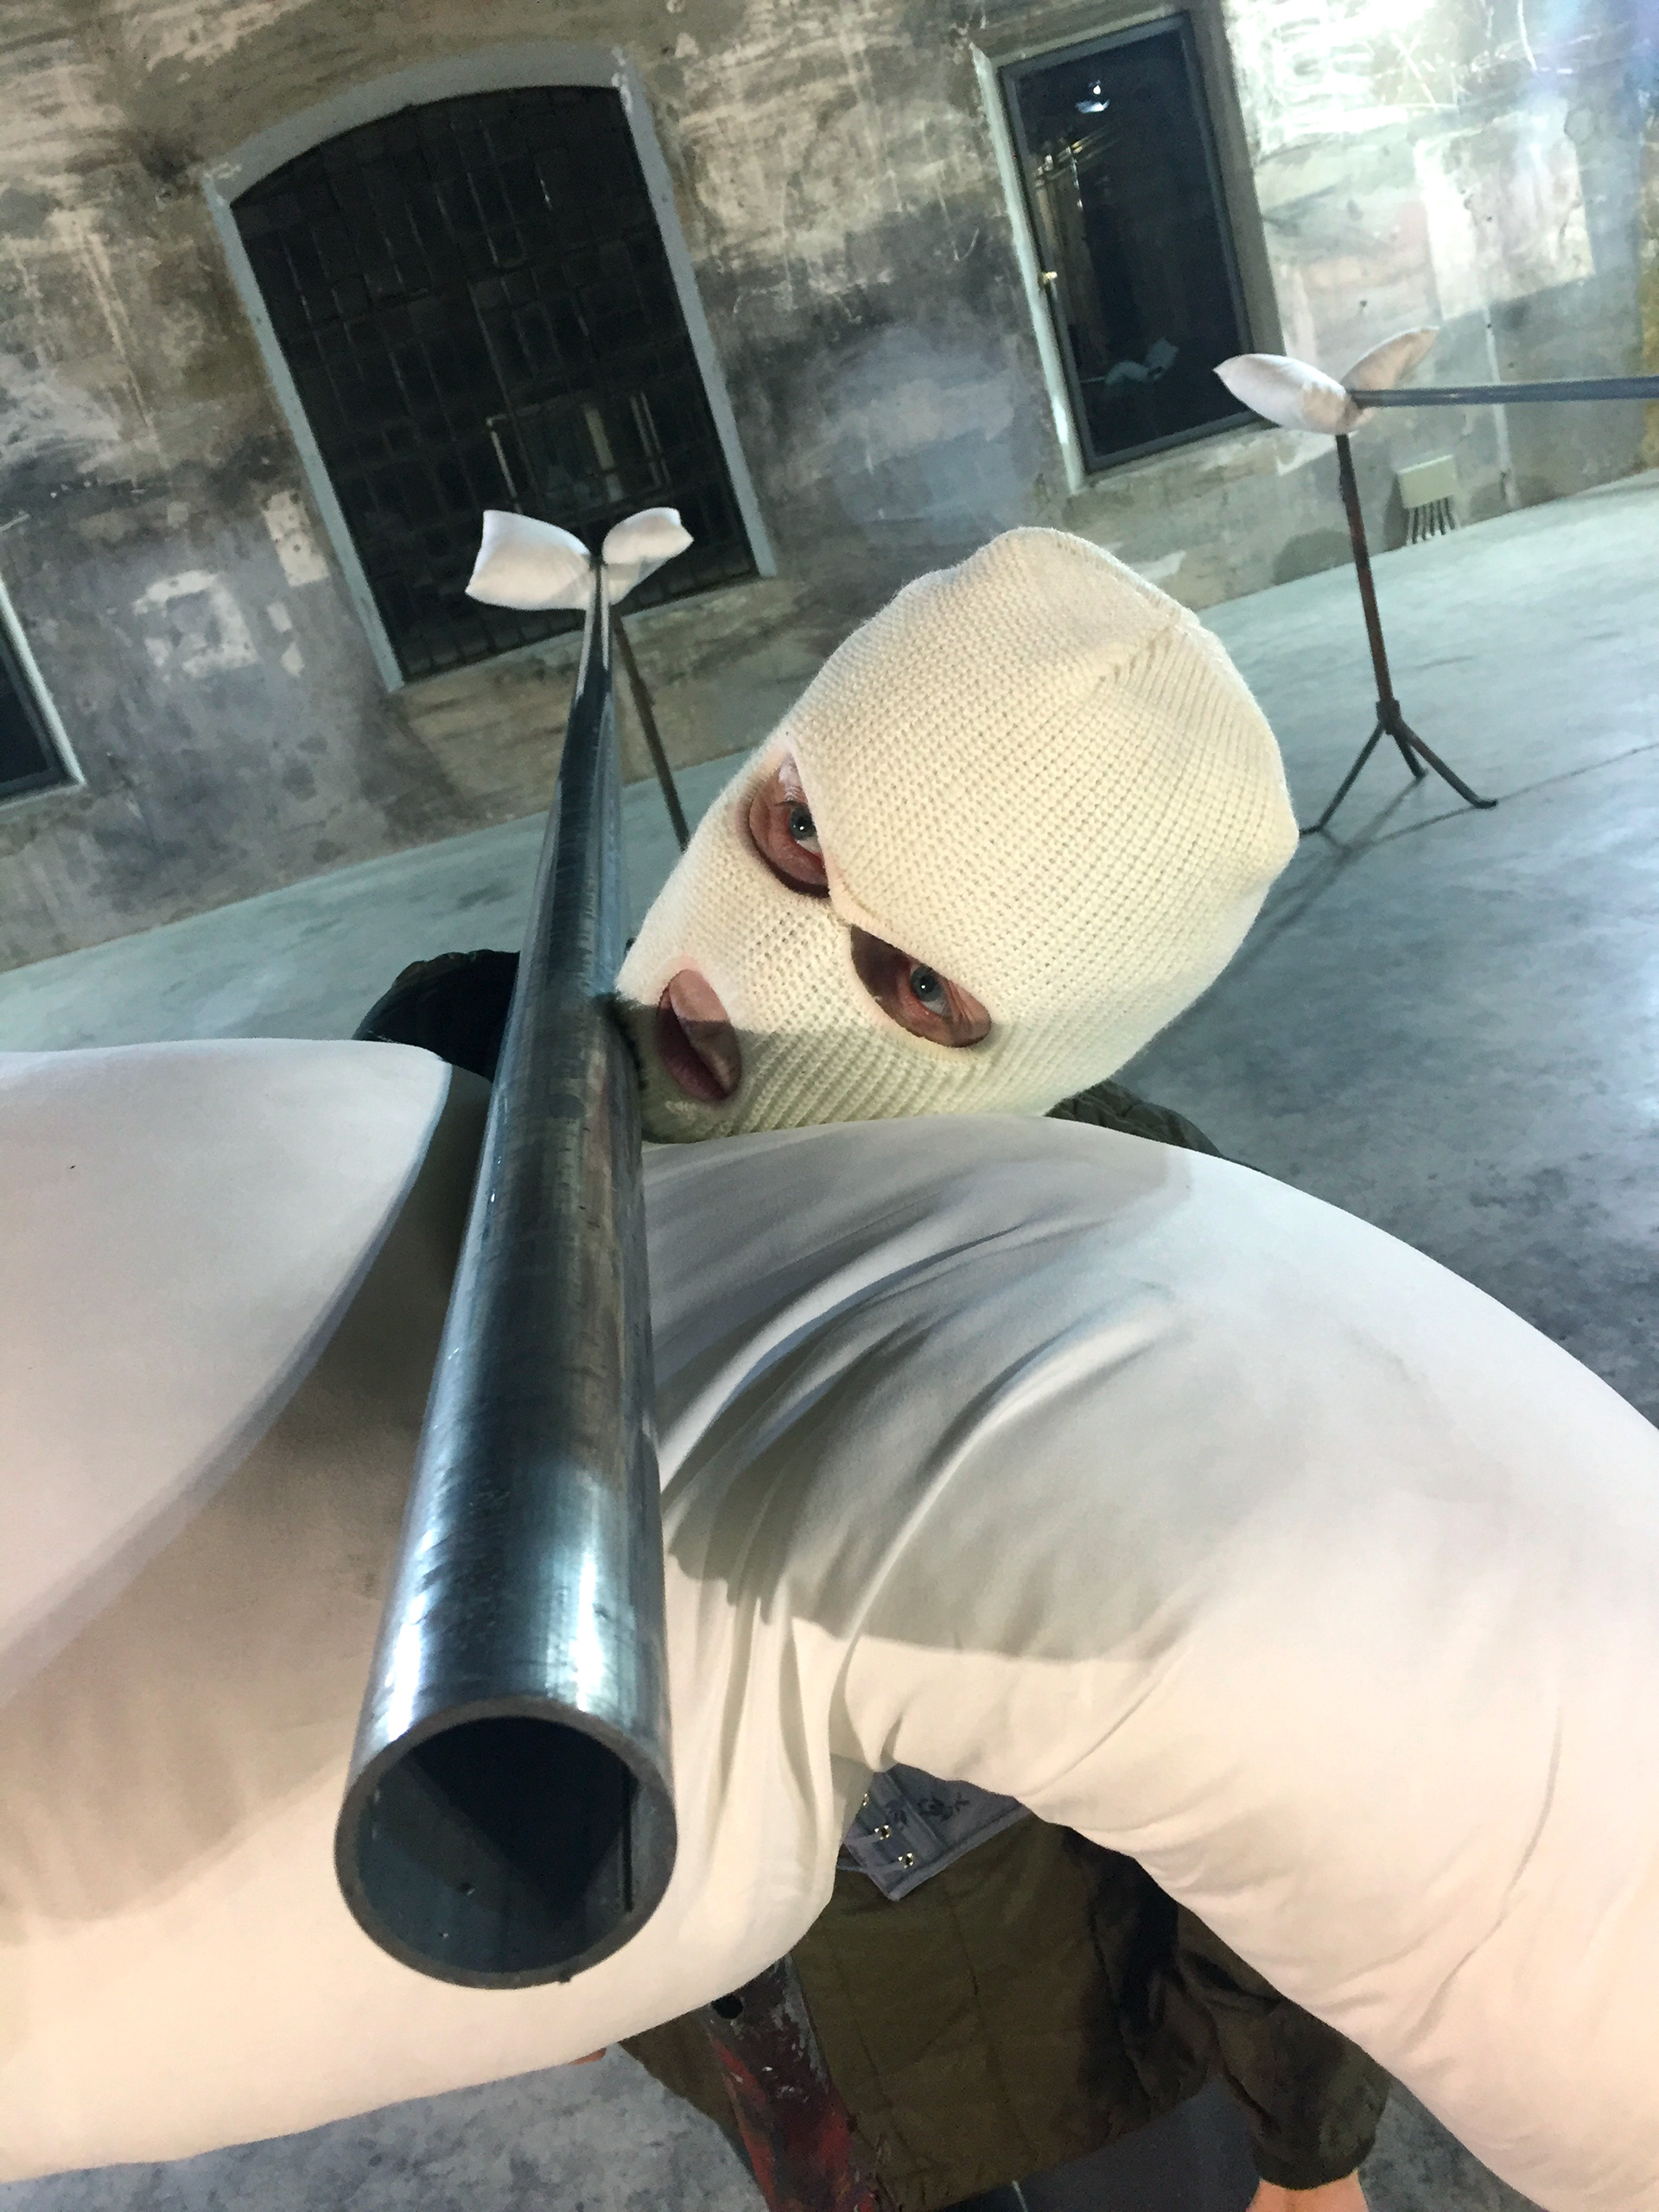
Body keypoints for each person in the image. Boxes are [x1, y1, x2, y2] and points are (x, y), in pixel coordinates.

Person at [354, 528, 1383, 2212]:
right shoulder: (463, 1083)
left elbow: (1269, 1743)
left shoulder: (1122, 1245)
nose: (746, 980)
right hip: (734, 2006)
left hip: (1056, 2056)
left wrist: (1308, 2137)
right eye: (802, 830)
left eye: (914, 981)